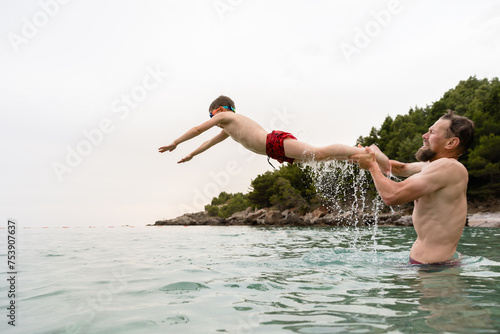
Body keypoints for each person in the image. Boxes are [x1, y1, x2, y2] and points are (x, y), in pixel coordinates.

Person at [352, 110, 475, 266]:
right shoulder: (434, 166)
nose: (424, 135)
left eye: (432, 132)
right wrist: (373, 156)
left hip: (434, 269)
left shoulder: (449, 167)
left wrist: (371, 166)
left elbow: (392, 195)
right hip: (431, 266)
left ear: (451, 143)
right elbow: (401, 168)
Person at [159, 95, 390, 171]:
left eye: (212, 116)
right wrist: (192, 156)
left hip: (274, 142)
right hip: (275, 150)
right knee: (320, 158)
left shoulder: (225, 117)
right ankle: (356, 156)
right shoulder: (229, 129)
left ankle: (361, 149)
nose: (213, 122)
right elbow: (208, 141)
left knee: (318, 153)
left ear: (218, 110)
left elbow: (199, 130)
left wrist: (175, 142)